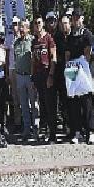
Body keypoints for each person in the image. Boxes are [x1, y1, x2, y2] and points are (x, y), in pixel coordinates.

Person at [65, 9, 94, 145]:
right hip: (71, 68)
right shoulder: (70, 36)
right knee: (74, 101)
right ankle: (77, 131)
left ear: (82, 18)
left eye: (78, 17)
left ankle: (91, 131)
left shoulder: (87, 34)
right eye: (74, 18)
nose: (76, 20)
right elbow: (67, 53)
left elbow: (88, 53)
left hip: (83, 67)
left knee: (87, 100)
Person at [32, 15, 57, 143]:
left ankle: (53, 134)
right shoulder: (34, 41)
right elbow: (33, 59)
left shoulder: (49, 39)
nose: (38, 25)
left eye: (39, 23)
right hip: (38, 75)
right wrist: (33, 76)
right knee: (42, 104)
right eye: (35, 23)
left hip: (48, 73)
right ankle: (44, 130)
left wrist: (51, 75)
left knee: (50, 105)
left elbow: (53, 58)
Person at [13, 20, 34, 139]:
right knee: (23, 105)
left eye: (23, 27)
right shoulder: (16, 43)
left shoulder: (32, 41)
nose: (21, 29)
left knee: (33, 104)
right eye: (20, 27)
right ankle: (26, 129)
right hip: (19, 76)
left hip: (30, 76)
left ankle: (35, 129)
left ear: (28, 29)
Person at [54, 15, 71, 134]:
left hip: (74, 72)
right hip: (60, 72)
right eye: (62, 23)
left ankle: (76, 126)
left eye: (66, 23)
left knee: (74, 99)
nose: (64, 25)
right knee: (63, 100)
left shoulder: (74, 36)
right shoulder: (56, 37)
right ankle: (66, 124)